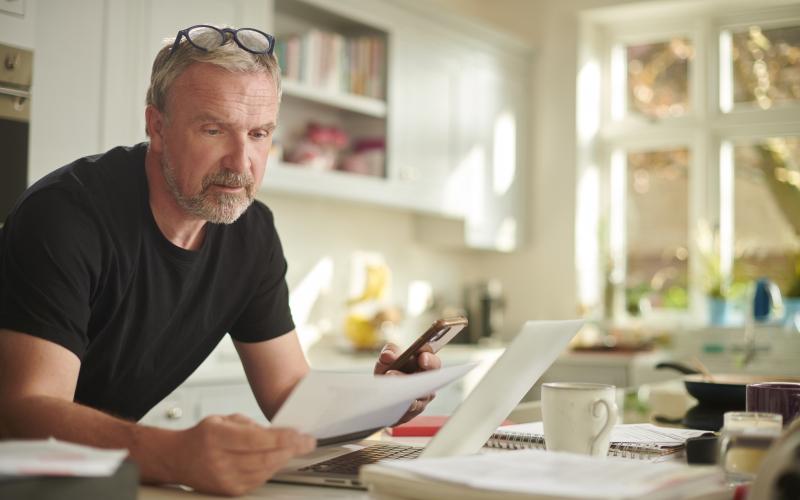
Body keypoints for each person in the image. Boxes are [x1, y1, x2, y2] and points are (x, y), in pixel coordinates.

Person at [0, 25, 440, 496]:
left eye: (259, 133)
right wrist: (174, 453)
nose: (241, 161)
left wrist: (386, 402)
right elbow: (24, 411)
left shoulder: (252, 234)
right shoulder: (67, 216)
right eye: (214, 130)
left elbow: (291, 397)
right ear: (157, 127)